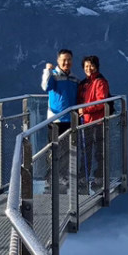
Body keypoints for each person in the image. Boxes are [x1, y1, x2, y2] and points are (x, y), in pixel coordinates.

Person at [41, 49, 79, 188]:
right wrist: (47, 71)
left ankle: (62, 176)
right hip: (56, 120)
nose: (66, 62)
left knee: (68, 151)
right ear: (58, 61)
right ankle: (50, 177)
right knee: (53, 149)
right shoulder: (54, 76)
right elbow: (45, 86)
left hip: (71, 120)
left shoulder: (74, 79)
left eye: (69, 59)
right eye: (63, 60)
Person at [77, 55, 111, 193]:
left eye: (91, 66)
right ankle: (84, 176)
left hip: (97, 121)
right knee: (86, 150)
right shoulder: (84, 84)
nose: (88, 69)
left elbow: (101, 101)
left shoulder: (100, 82)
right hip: (86, 121)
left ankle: (97, 177)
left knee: (97, 150)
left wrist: (84, 109)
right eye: (86, 66)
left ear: (96, 66)